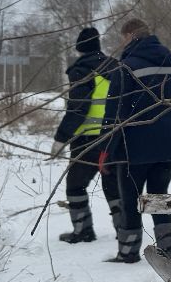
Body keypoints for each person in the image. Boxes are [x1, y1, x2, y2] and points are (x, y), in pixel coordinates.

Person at [106, 18, 171, 264]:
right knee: (158, 197)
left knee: (131, 199)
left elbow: (113, 113)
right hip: (167, 147)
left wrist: (108, 149)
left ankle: (128, 251)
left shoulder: (125, 68)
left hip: (133, 148)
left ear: (130, 35)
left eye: (123, 37)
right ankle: (169, 248)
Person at [51, 26, 120, 244]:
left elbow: (78, 109)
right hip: (115, 137)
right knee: (114, 187)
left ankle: (83, 231)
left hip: (87, 140)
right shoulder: (116, 67)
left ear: (80, 48)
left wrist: (60, 138)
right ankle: (125, 232)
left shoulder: (81, 70)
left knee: (75, 186)